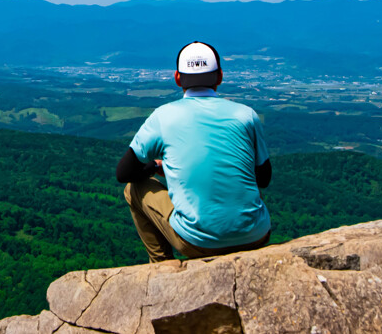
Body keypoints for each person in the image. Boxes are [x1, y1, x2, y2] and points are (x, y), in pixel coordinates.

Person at [116, 41, 272, 262]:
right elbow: (263, 178)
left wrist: (154, 167)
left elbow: (123, 173)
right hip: (256, 236)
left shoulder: (164, 115)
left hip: (196, 242)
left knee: (133, 189)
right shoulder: (246, 115)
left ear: (177, 78)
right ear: (219, 77)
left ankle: (161, 267)